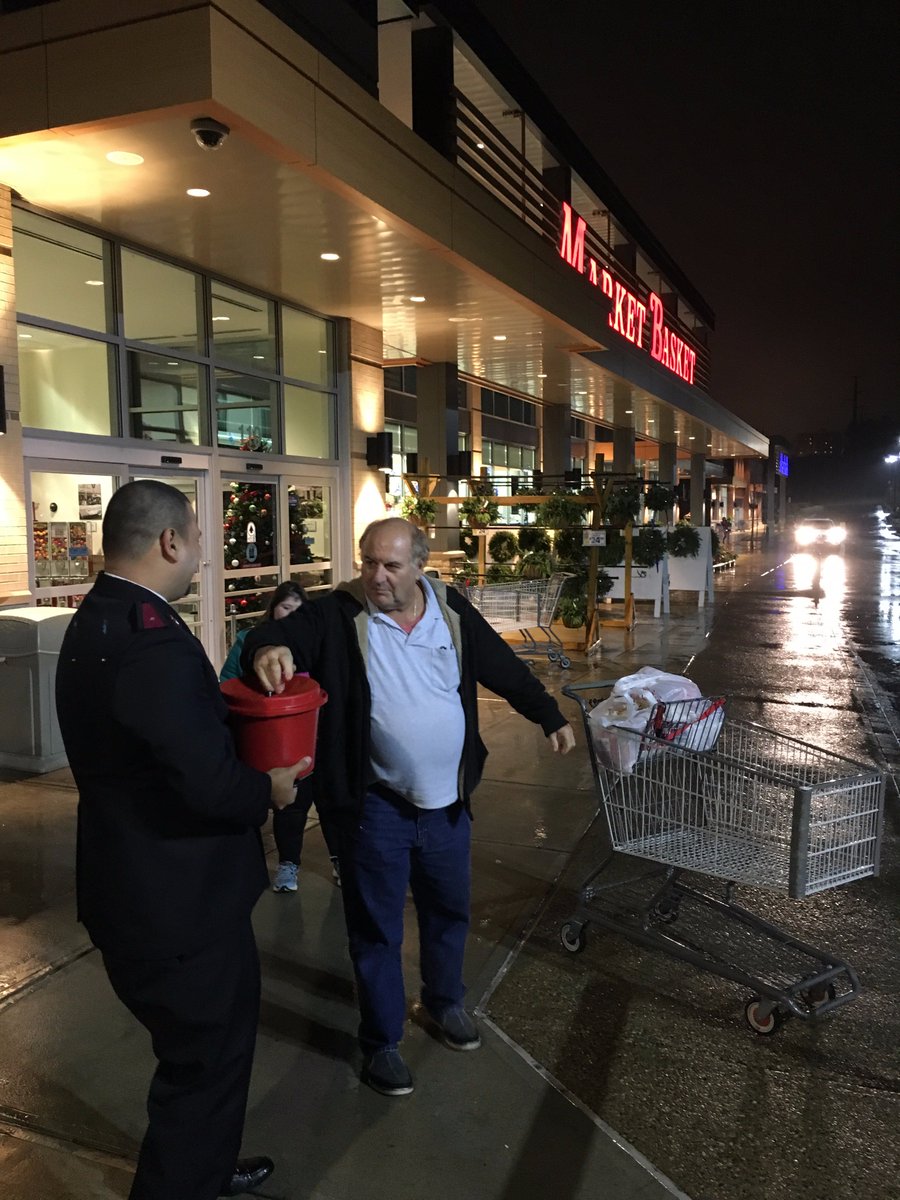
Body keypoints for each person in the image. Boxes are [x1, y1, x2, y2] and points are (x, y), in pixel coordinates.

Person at [243, 517, 575, 1097]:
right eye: (368, 562)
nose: (376, 576)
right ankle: (382, 1042)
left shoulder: (449, 610)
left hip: (447, 805)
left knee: (449, 913)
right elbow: (271, 636)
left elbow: (499, 663)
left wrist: (546, 713)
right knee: (376, 929)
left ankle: (444, 1002)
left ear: (420, 565)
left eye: (391, 566)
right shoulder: (338, 614)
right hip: (377, 807)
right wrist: (268, 647)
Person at [55, 480, 308, 1200]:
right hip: (178, 906)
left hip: (133, 888)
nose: (201, 554)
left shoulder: (97, 619)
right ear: (170, 542)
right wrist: (268, 791)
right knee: (205, 1064)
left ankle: (207, 1164)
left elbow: (159, 737)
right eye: (198, 539)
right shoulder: (154, 642)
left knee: (203, 1060)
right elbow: (206, 781)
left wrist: (249, 672)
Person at [220, 581, 340, 892]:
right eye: (286, 607)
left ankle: (339, 858)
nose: (291, 615)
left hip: (316, 737)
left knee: (329, 800)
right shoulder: (251, 642)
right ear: (273, 609)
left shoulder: (314, 643)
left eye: (298, 609)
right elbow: (229, 682)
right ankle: (288, 864)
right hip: (275, 741)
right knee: (291, 805)